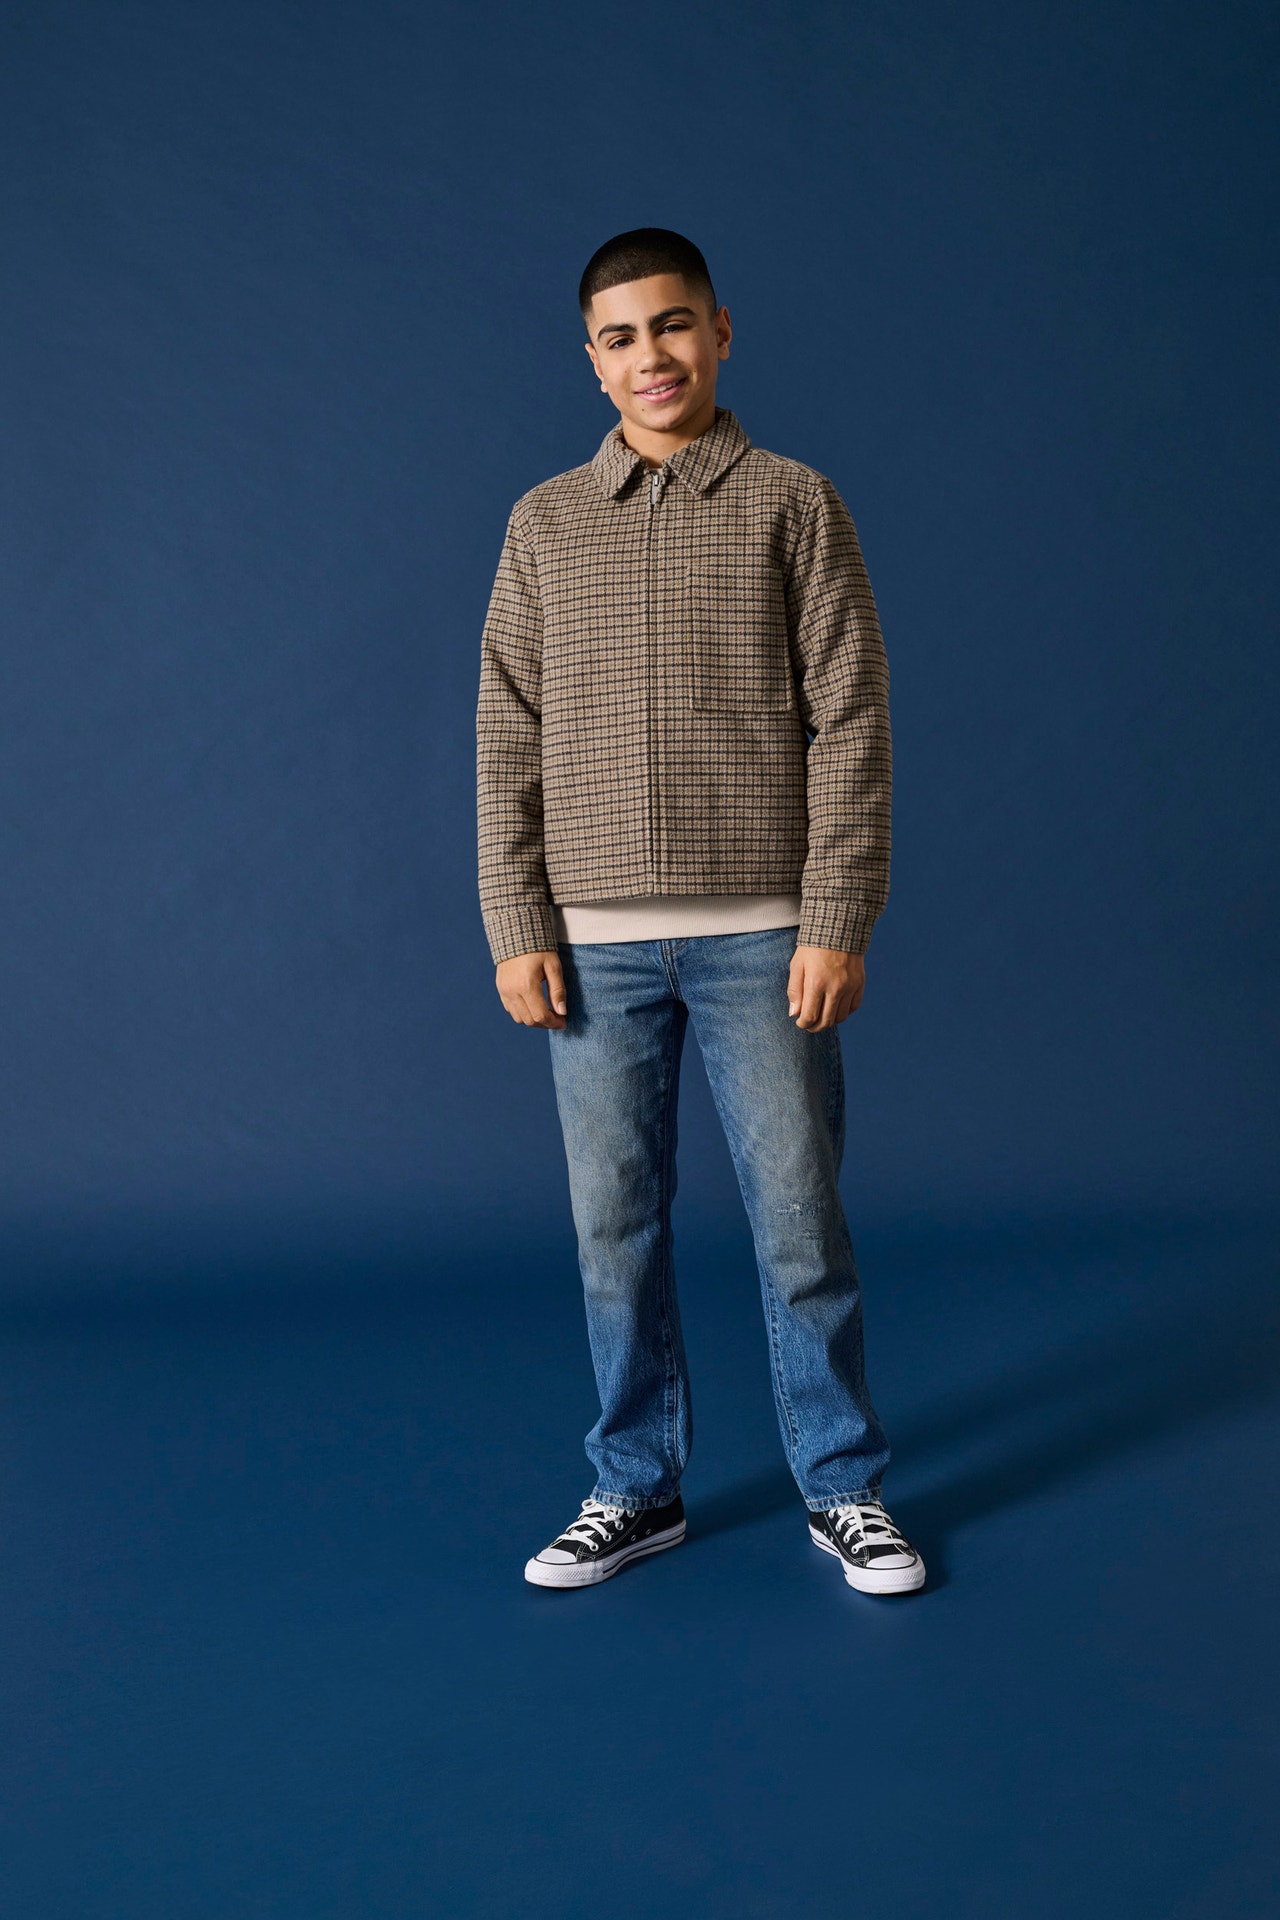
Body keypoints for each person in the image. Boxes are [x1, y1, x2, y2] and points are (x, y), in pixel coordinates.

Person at [476, 228, 924, 1599]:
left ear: (721, 331)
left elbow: (851, 715)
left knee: (799, 1227)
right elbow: (507, 732)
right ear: (591, 359)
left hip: (764, 940)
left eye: (672, 325)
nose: (651, 357)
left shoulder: (794, 502)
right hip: (594, 949)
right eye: (620, 337)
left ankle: (842, 1488)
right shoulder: (546, 522)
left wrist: (836, 912)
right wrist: (517, 920)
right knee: (614, 1234)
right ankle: (635, 1485)